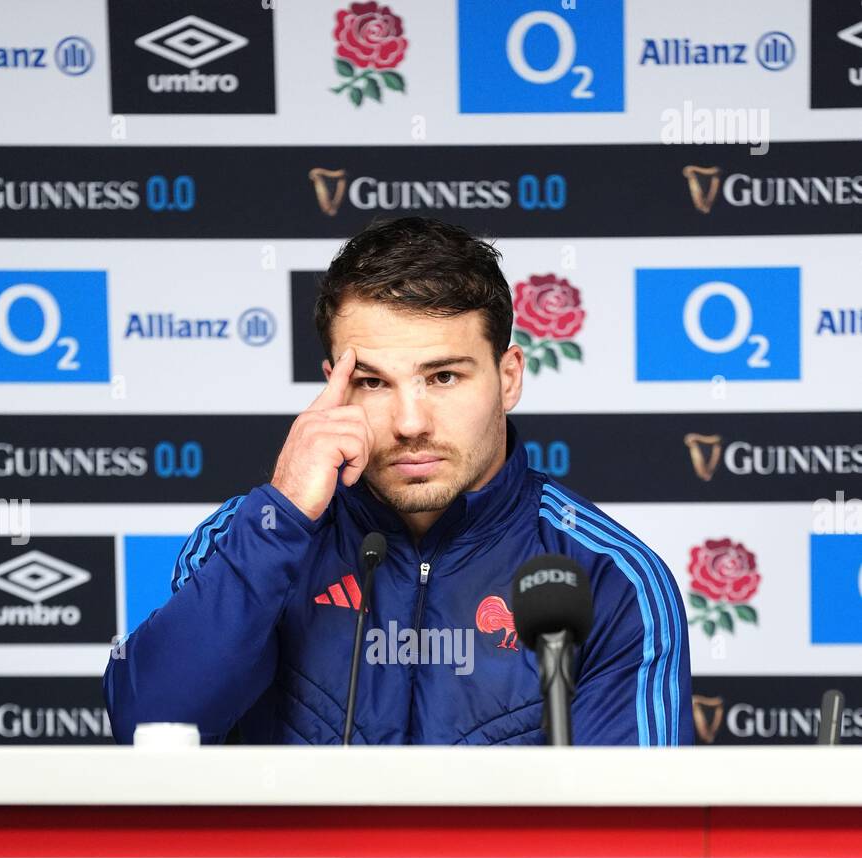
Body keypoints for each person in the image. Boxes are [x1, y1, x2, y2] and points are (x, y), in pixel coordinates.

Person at [104, 216, 692, 746]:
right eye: (374, 383)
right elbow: (147, 732)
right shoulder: (252, 539)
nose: (410, 424)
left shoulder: (612, 578)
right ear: (333, 384)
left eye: (443, 377)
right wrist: (281, 519)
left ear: (508, 377)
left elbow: (632, 843)